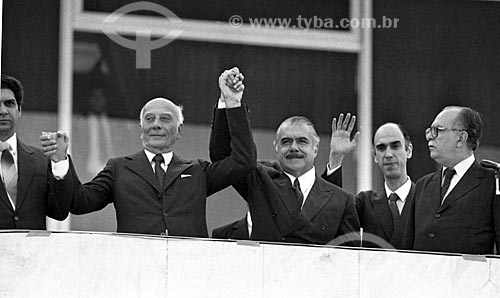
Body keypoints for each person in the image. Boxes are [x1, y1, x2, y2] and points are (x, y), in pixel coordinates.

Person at [40, 67, 256, 237]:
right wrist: (60, 163)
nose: (156, 125)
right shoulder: (119, 168)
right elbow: (79, 202)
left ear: (179, 130)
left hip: (187, 275)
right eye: (150, 119)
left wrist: (232, 102)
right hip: (136, 275)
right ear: (141, 128)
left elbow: (242, 162)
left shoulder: (198, 171)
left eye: (165, 119)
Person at [209, 74, 359, 245]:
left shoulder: (342, 200)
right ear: (276, 147)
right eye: (286, 141)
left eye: (302, 141)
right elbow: (223, 157)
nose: (293, 147)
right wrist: (231, 102)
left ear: (315, 148)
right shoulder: (259, 179)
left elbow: (350, 261)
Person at [401, 106, 500, 254]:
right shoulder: (423, 185)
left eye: (437, 130)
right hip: (424, 275)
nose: (429, 136)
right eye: (429, 130)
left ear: (461, 138)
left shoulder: (492, 183)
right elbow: (407, 246)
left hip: (470, 276)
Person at [323, 119, 415, 249]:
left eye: (395, 146)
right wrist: (336, 157)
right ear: (375, 156)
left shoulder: (426, 200)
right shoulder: (365, 203)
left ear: (408, 150)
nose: (388, 154)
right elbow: (333, 212)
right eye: (381, 148)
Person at [0, 74, 72, 229]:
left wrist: (59, 163)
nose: (3, 111)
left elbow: (59, 212)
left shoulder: (41, 160)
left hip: (32, 251)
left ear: (19, 110)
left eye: (9, 103)